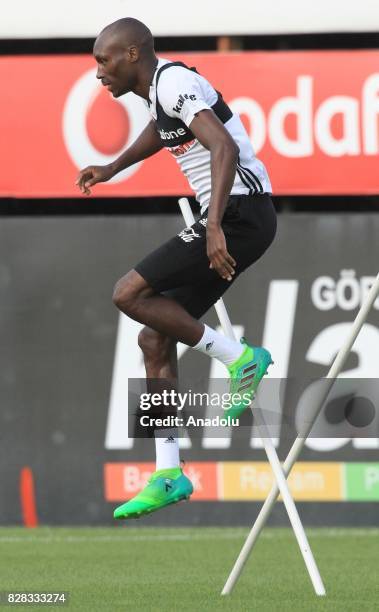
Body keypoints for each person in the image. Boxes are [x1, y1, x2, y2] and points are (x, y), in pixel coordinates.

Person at [76, 17, 277, 519]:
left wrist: (213, 227)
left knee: (127, 294)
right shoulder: (160, 94)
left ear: (134, 56)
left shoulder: (176, 82)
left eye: (104, 61)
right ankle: (169, 472)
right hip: (235, 216)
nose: (99, 73)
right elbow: (161, 132)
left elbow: (224, 147)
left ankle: (240, 358)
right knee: (153, 340)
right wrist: (113, 167)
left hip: (239, 213)